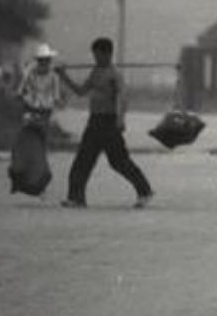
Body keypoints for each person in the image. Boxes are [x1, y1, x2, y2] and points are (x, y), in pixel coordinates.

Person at [55, 38, 154, 208]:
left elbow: (122, 98)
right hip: (94, 121)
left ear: (107, 54)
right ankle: (76, 197)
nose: (96, 58)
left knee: (119, 162)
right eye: (94, 55)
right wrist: (63, 76)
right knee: (83, 160)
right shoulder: (95, 72)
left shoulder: (114, 74)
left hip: (109, 122)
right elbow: (80, 92)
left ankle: (144, 191)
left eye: (98, 55)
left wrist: (120, 120)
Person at [8, 43, 64, 196]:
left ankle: (39, 181)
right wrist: (23, 98)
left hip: (44, 113)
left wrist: (51, 103)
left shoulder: (54, 77)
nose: (44, 63)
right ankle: (20, 176)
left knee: (39, 147)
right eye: (41, 60)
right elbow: (20, 92)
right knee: (24, 143)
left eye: (47, 60)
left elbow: (57, 98)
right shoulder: (29, 74)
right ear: (38, 61)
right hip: (30, 111)